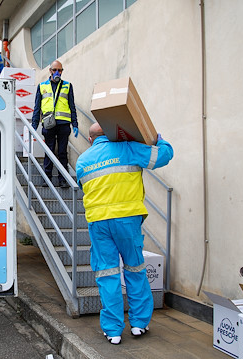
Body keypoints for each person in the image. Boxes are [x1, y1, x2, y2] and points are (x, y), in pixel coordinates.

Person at [75, 123, 173, 345]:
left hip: (99, 223)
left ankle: (113, 331)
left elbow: (85, 189)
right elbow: (163, 156)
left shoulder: (82, 160)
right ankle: (139, 324)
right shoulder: (127, 148)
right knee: (135, 269)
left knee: (107, 275)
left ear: (90, 140)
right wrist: (158, 139)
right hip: (128, 220)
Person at [31, 60, 79, 187]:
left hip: (63, 124)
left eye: (60, 70)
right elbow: (37, 107)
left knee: (62, 152)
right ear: (50, 71)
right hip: (48, 123)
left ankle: (63, 179)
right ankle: (47, 178)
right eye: (55, 70)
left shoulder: (67, 86)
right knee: (49, 151)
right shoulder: (42, 86)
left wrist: (75, 124)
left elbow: (72, 106)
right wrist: (34, 124)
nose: (57, 72)